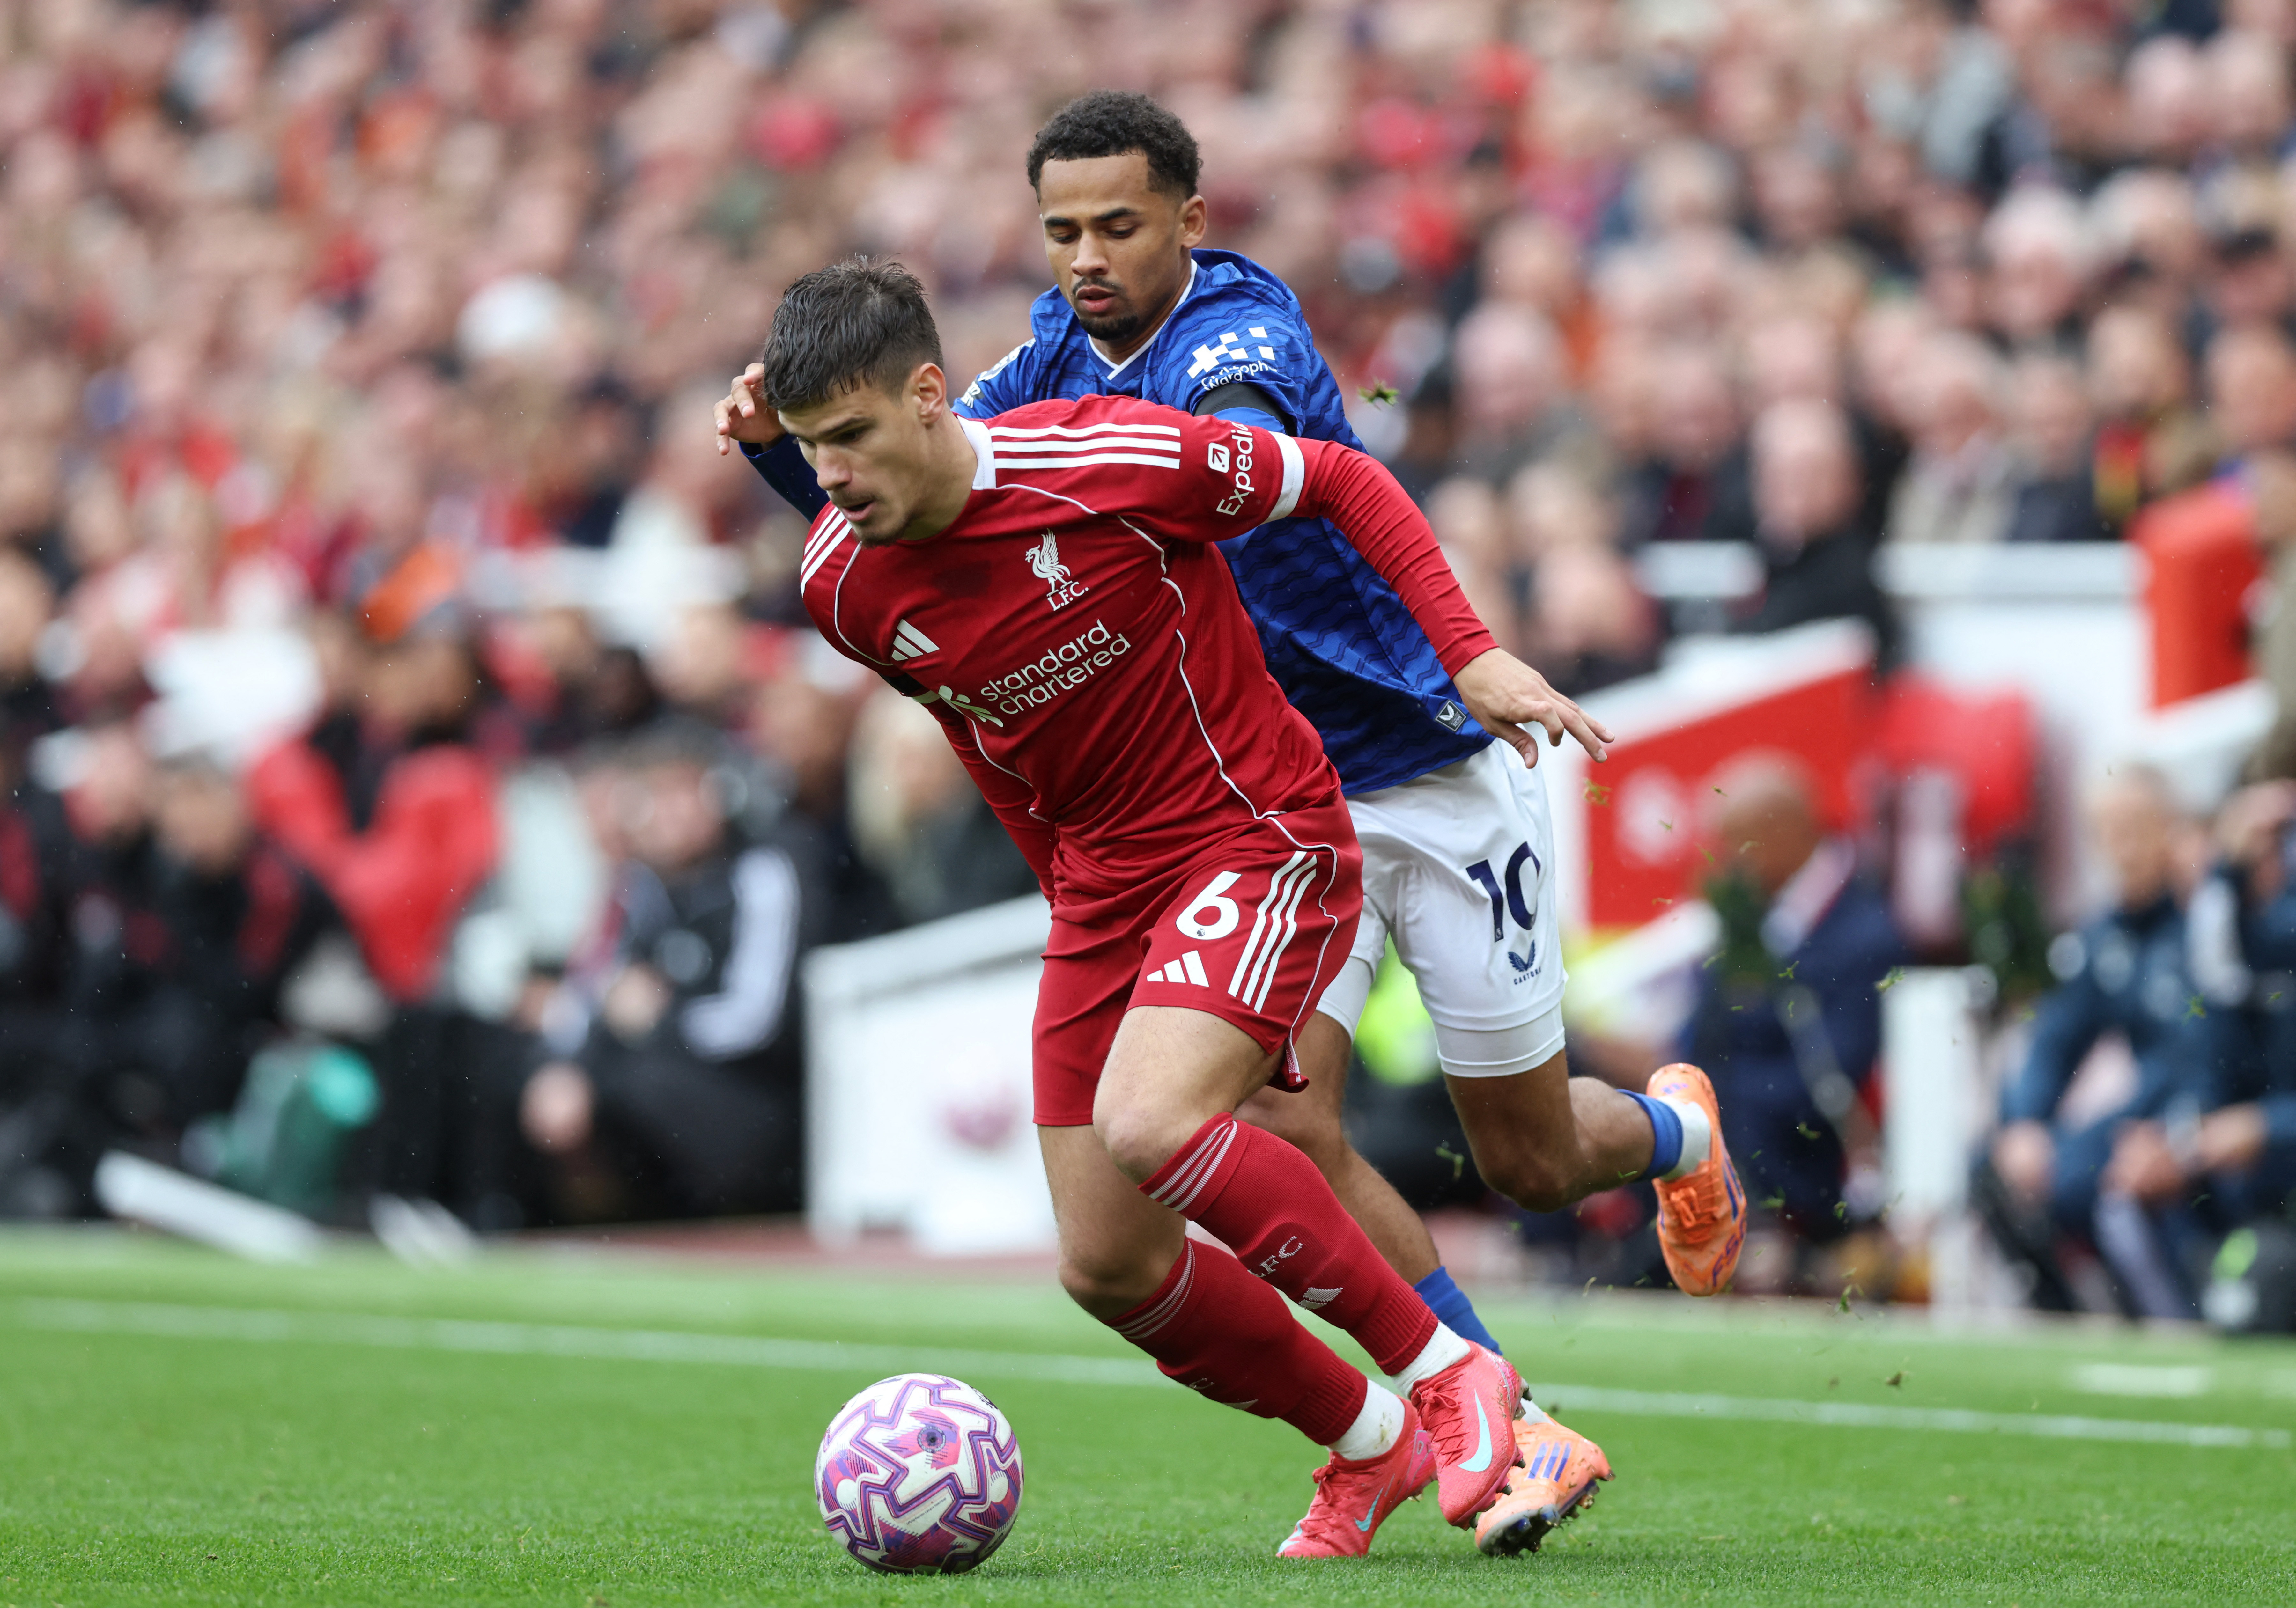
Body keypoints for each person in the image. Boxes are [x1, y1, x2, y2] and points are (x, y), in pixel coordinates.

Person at [716, 94, 1748, 1558]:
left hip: (1410, 767)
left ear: (1191, 222)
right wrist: (796, 462)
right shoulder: (1041, 367)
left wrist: (1468, 651)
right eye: (1061, 229)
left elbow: (1278, 476)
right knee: (1239, 1138)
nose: (1085, 257)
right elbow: (922, 515)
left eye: (1118, 226)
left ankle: (1667, 1132)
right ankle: (1458, 1419)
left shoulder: (1228, 366)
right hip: (1221, 803)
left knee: (1520, 1155)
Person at [753, 257, 1565, 1560]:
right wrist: (1069, 890)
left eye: (850, 438)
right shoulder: (842, 585)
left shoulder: (1111, 458)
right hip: (1103, 887)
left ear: (926, 395)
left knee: (1154, 1119)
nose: (833, 476)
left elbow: (1347, 479)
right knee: (1110, 1264)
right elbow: (987, 733)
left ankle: (1450, 1372)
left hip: (1257, 830)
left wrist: (1468, 652)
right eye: (807, 450)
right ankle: (1370, 1444)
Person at [1977, 766, 2200, 1314]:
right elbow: (2055, 1037)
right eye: (2105, 833)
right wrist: (2025, 1122)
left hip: (2199, 1115)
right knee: (1993, 1167)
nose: (2122, 849)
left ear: (2173, 829)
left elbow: (2202, 1056)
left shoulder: (2208, 923)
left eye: (2135, 828)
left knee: (2088, 1174)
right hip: (2142, 1116)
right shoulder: (2106, 937)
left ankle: (2177, 1313)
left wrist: (2168, 1128)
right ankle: (2073, 1321)